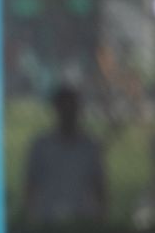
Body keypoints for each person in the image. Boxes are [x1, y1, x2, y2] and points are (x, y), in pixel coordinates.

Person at [24, 85, 107, 224]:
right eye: (65, 109)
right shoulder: (41, 146)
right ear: (57, 110)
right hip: (47, 217)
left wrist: (101, 217)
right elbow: (30, 185)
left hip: (82, 218)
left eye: (71, 108)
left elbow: (99, 186)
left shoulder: (89, 148)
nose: (68, 114)